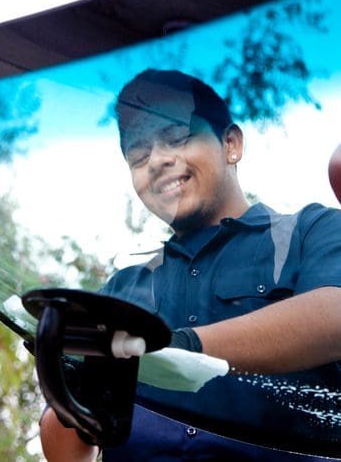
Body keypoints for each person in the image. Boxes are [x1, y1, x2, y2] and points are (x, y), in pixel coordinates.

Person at [39, 69, 341, 461]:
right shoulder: (119, 292)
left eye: (176, 138)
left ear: (231, 144)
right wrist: (69, 381)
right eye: (139, 155)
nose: (158, 161)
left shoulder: (312, 230)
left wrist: (179, 349)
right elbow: (66, 454)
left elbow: (333, 317)